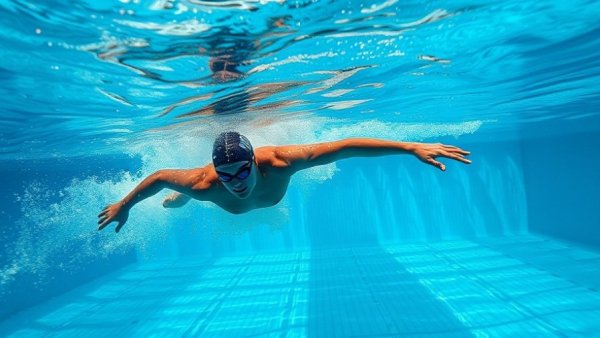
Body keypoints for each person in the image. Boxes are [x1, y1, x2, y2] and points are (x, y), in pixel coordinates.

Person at [98, 131, 471, 233]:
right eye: (227, 175)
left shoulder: (278, 163)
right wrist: (123, 205)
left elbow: (344, 148)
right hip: (200, 193)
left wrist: (409, 147)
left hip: (261, 191)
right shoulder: (206, 183)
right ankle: (182, 203)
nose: (236, 182)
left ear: (255, 163)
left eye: (243, 170)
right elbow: (161, 177)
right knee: (187, 194)